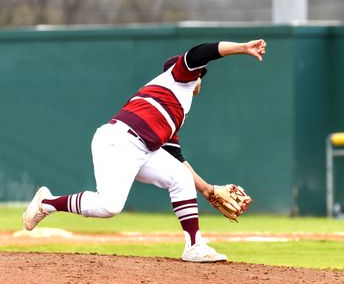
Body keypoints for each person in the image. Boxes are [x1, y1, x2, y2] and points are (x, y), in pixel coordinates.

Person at [23, 39, 266, 262]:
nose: (200, 77)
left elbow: (176, 158)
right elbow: (202, 52)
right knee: (110, 207)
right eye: (200, 73)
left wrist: (207, 190)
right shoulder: (178, 78)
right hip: (119, 141)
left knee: (180, 177)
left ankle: (194, 246)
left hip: (142, 147)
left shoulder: (177, 108)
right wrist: (242, 48)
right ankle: (47, 202)